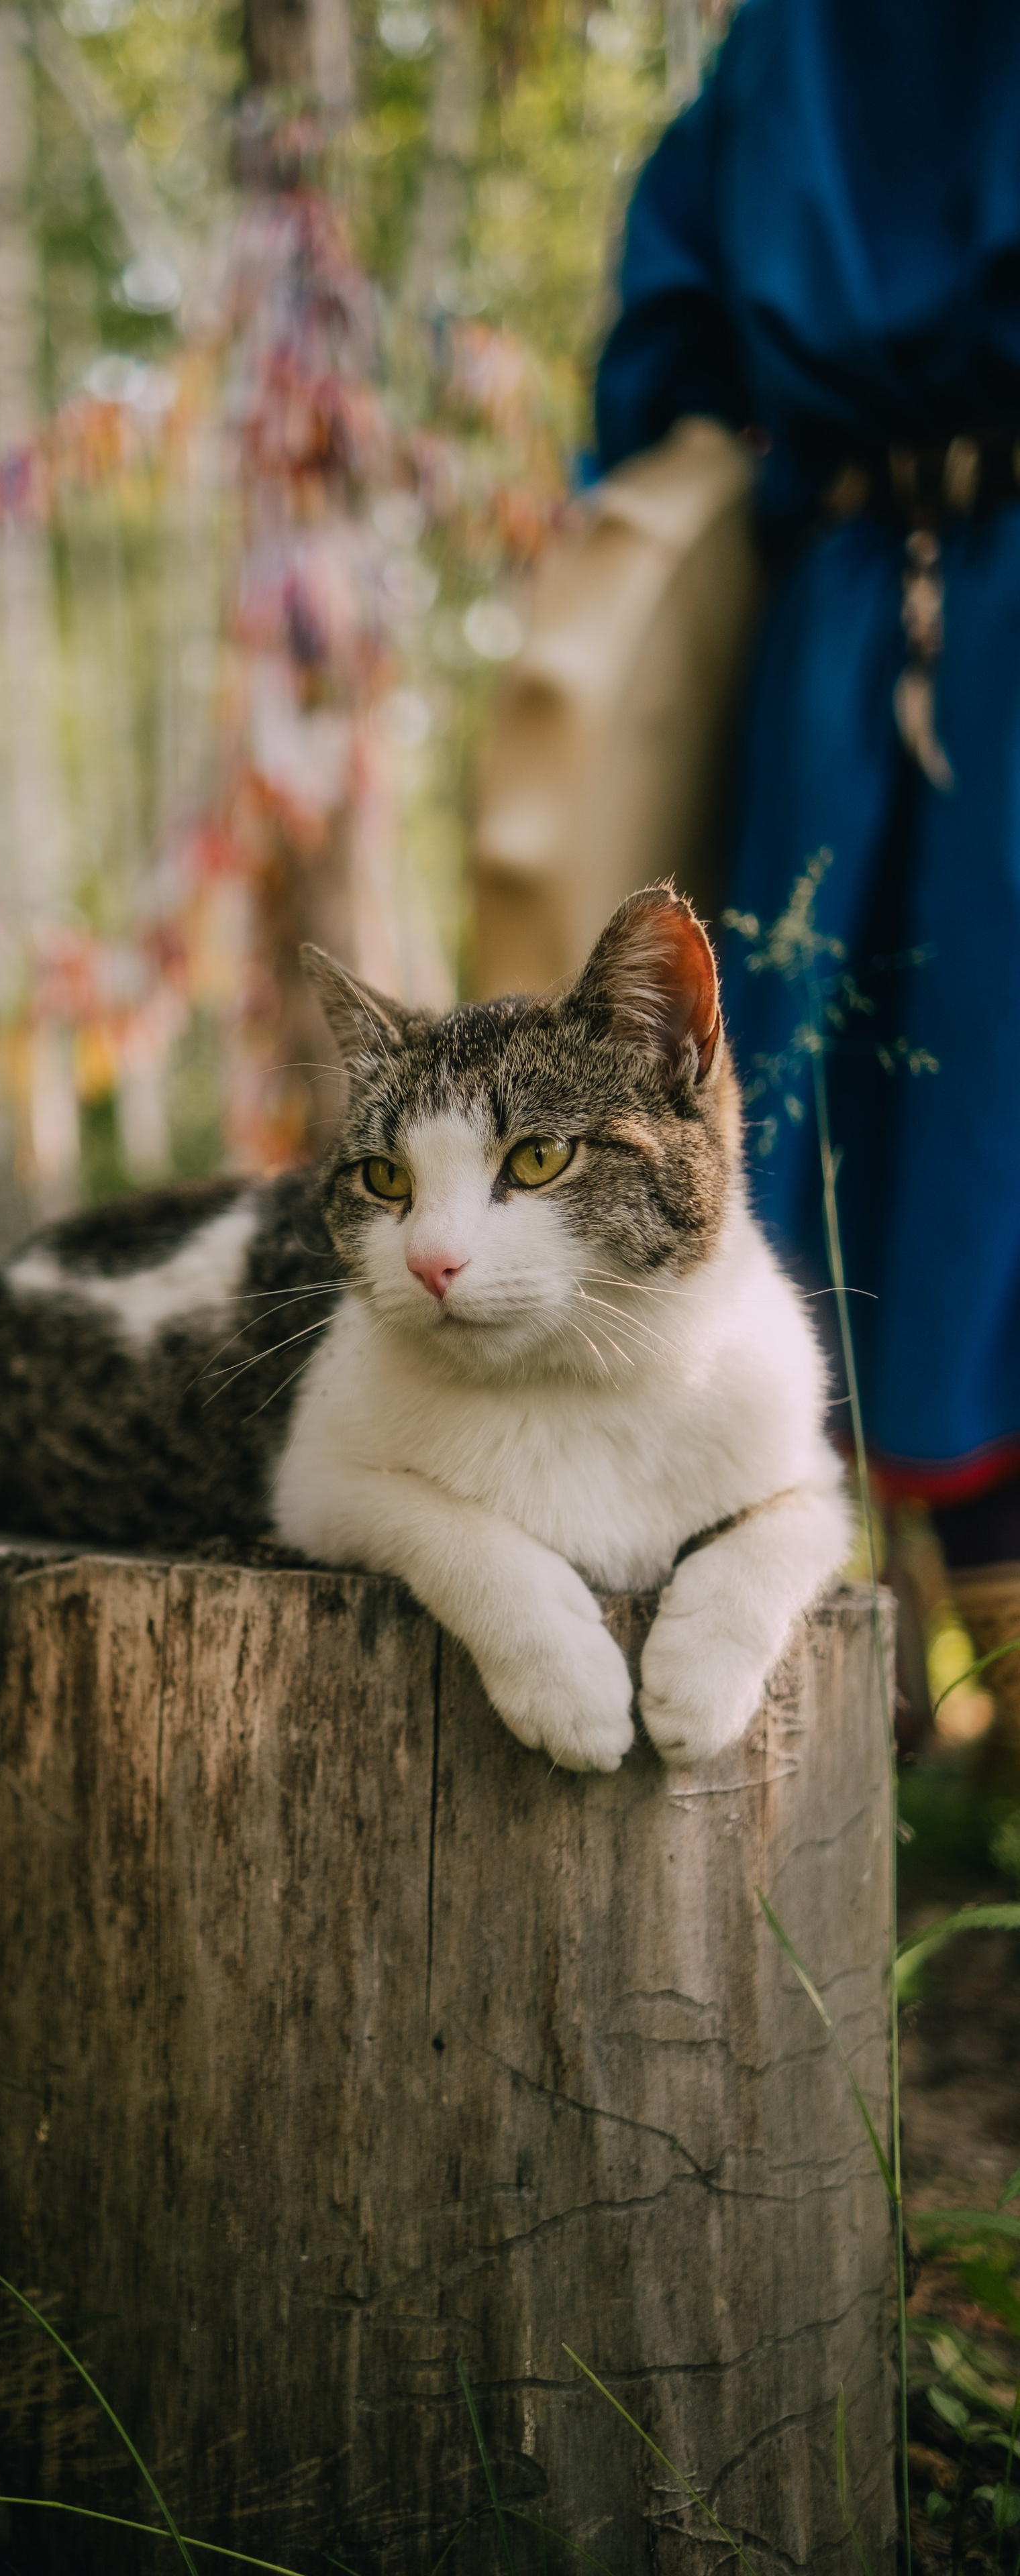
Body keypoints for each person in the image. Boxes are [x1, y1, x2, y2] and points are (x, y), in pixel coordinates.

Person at [595, 0, 1020, 1729]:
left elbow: (657, 374)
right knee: (836, 1119)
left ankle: (917, 1698)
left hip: (838, 631)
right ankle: (900, 1691)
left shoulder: (778, 37)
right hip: (866, 645)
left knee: (887, 1114)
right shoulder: (781, 40)